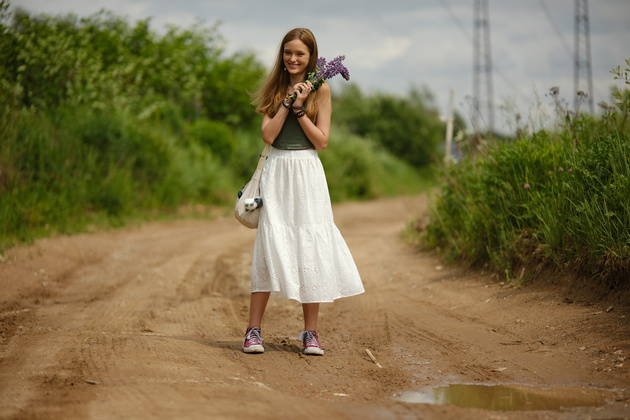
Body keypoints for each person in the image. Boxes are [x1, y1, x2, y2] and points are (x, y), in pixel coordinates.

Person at [243, 28, 364, 356]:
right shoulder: (274, 88)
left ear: (311, 57)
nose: (293, 59)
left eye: (300, 54)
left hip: (307, 172)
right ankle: (253, 331)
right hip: (278, 170)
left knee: (311, 247)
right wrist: (286, 102)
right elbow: (268, 135)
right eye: (288, 53)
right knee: (270, 245)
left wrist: (301, 108)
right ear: (282, 55)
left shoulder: (321, 89)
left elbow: (322, 141)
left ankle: (311, 334)